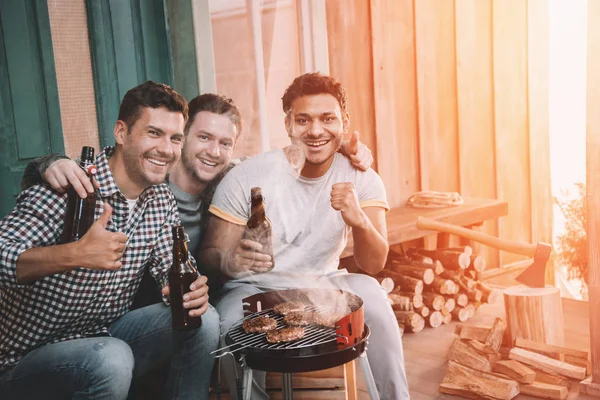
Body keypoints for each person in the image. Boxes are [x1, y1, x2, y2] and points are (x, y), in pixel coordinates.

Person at [0, 81, 220, 400]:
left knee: (205, 319)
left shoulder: (160, 199)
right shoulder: (69, 189)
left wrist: (190, 290)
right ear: (121, 132)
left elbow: (173, 270)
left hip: (102, 335)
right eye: (153, 133)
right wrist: (74, 254)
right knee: (111, 358)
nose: (166, 149)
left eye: (175, 138)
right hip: (23, 361)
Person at [199, 72, 409, 399]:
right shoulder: (246, 177)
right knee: (225, 323)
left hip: (325, 284)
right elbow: (210, 254)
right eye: (303, 120)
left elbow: (374, 263)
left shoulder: (361, 177)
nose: (315, 130)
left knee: (375, 298)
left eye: (328, 119)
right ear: (288, 124)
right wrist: (231, 259)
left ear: (344, 121)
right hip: (254, 287)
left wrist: (360, 222)